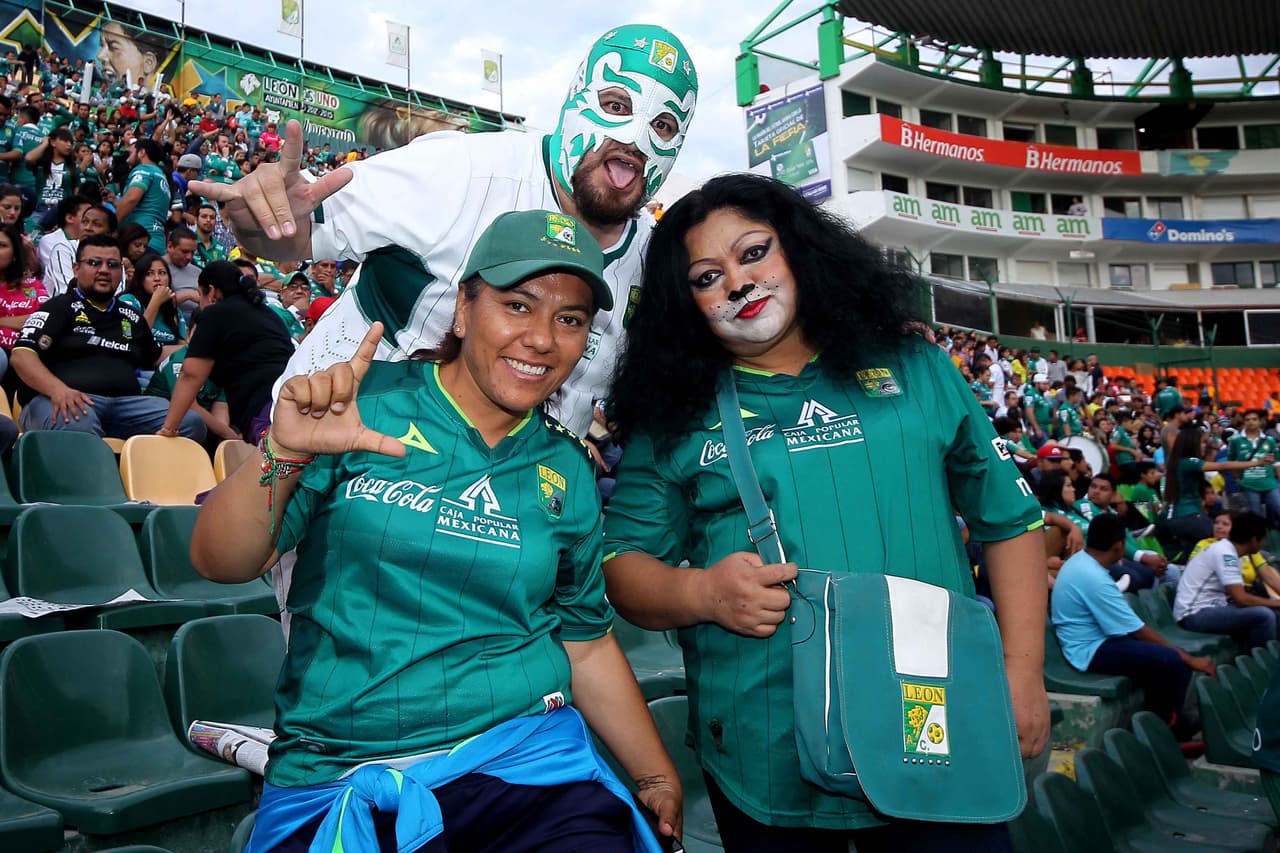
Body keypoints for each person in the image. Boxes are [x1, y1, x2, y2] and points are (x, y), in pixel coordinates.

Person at [189, 210, 682, 852]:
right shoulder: (361, 405)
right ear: (462, 312)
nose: (541, 338)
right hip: (343, 767)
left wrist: (652, 772)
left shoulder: (566, 467)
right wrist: (283, 451)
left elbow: (584, 641)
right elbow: (219, 560)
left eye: (570, 320)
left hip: (524, 764)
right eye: (518, 305)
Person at [602, 174, 1048, 851]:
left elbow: (1009, 522)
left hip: (935, 727)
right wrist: (702, 591)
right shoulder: (673, 417)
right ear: (683, 303)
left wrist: (1022, 672)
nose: (737, 283)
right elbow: (619, 564)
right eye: (706, 276)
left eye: (754, 252)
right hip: (764, 751)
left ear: (801, 249)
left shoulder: (918, 367)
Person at [192, 24, 699, 438]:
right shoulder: (462, 169)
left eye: (663, 126)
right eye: (615, 105)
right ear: (574, 97)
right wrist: (259, 216)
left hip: (513, 502)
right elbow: (291, 236)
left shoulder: (656, 264)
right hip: (335, 447)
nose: (633, 138)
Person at [9, 233, 204, 440]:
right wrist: (58, 390)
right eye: (94, 263)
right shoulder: (58, 308)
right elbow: (22, 356)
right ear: (77, 269)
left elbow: (155, 356)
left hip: (127, 407)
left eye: (112, 264)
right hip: (64, 399)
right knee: (77, 422)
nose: (103, 270)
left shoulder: (130, 315)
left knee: (190, 423)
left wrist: (199, 348)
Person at [1052, 513, 1212, 730]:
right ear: (1119, 546)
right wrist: (1190, 660)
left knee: (1160, 659)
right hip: (1089, 650)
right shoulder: (1092, 576)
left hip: (1099, 641)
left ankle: (1152, 722)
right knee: (1174, 661)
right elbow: (1138, 631)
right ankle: (1164, 730)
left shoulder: (1082, 561)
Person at [159, 260, 294, 444]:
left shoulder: (215, 314)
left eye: (201, 296)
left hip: (264, 412)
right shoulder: (269, 314)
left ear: (212, 292)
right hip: (292, 403)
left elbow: (190, 375)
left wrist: (169, 429)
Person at [1174, 512, 1280, 651]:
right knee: (1264, 615)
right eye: (1264, 538)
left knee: (1275, 614)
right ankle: (1266, 666)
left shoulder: (1230, 552)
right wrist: (1275, 603)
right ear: (1254, 540)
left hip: (1215, 607)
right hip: (1194, 614)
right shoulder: (1226, 554)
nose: (1264, 542)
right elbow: (1241, 599)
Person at [1164, 425, 1272, 548]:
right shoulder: (1188, 462)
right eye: (1203, 442)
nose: (1205, 446)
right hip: (1188, 516)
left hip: (1177, 519)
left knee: (1195, 553)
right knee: (1228, 542)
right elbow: (1222, 466)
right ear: (1192, 444)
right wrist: (1257, 463)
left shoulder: (1178, 462)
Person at [0, 220, 45, 382]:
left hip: (26, 354)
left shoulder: (33, 286)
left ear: (14, 255)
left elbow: (40, 320)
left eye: (2, 246)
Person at [120, 251, 187, 358]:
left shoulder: (173, 309)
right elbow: (134, 338)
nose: (157, 278)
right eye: (149, 273)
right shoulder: (128, 301)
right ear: (140, 279)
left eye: (162, 273)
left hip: (166, 367)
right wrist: (155, 302)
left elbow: (183, 346)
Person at [115, 138, 172, 254]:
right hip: (157, 242)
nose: (128, 154)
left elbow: (132, 199)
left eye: (131, 152)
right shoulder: (161, 175)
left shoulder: (143, 170)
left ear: (141, 153)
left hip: (139, 243)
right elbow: (147, 206)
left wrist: (111, 226)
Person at [1229, 410, 1280, 526]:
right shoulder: (1235, 440)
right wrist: (1237, 479)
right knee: (1256, 518)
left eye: (1254, 419)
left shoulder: (1270, 440)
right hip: (1249, 484)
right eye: (1247, 420)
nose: (1251, 422)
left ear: (1260, 421)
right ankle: (1259, 543)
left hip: (1270, 483)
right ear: (1243, 422)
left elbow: (1277, 462)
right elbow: (1231, 462)